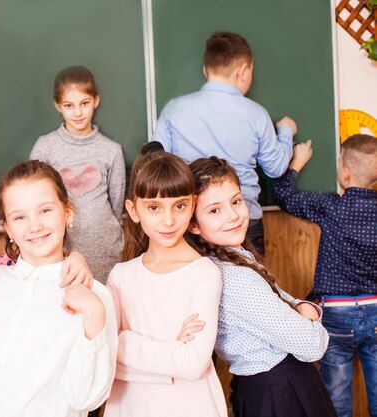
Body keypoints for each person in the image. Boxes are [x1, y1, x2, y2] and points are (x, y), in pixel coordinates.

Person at [0, 160, 118, 417]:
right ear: (8, 228)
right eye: (19, 217)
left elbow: (87, 399)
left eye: (45, 211)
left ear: (67, 213)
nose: (34, 226)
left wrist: (93, 315)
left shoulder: (95, 296)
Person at [188, 156, 336, 417]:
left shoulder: (231, 257)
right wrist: (309, 313)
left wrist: (299, 308)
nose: (233, 215)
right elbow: (313, 345)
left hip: (266, 386)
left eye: (236, 201)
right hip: (280, 389)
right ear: (193, 224)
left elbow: (289, 303)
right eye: (214, 210)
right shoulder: (235, 278)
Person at [104, 148, 226, 417]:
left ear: (193, 205)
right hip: (131, 407)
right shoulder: (121, 276)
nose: (169, 220)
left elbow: (193, 364)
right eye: (154, 208)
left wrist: (125, 340)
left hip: (191, 406)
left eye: (179, 206)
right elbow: (105, 354)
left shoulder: (204, 274)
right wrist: (173, 349)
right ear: (133, 210)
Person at [151, 31, 298, 256]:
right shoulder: (256, 113)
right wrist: (286, 132)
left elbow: (155, 161)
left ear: (205, 70)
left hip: (195, 224)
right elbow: (276, 168)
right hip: (244, 223)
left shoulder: (174, 109)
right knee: (251, 285)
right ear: (243, 71)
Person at [272, 134, 377, 417]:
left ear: (345, 172)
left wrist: (296, 163)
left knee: (337, 395)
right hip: (376, 308)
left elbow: (283, 196)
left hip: (336, 313)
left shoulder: (332, 207)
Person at [30, 65, 125, 283]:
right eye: (69, 105)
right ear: (57, 106)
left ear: (96, 101)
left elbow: (116, 203)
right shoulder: (45, 147)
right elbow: (32, 195)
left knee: (106, 305)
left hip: (105, 245)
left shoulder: (111, 150)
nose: (78, 112)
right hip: (61, 247)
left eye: (84, 103)